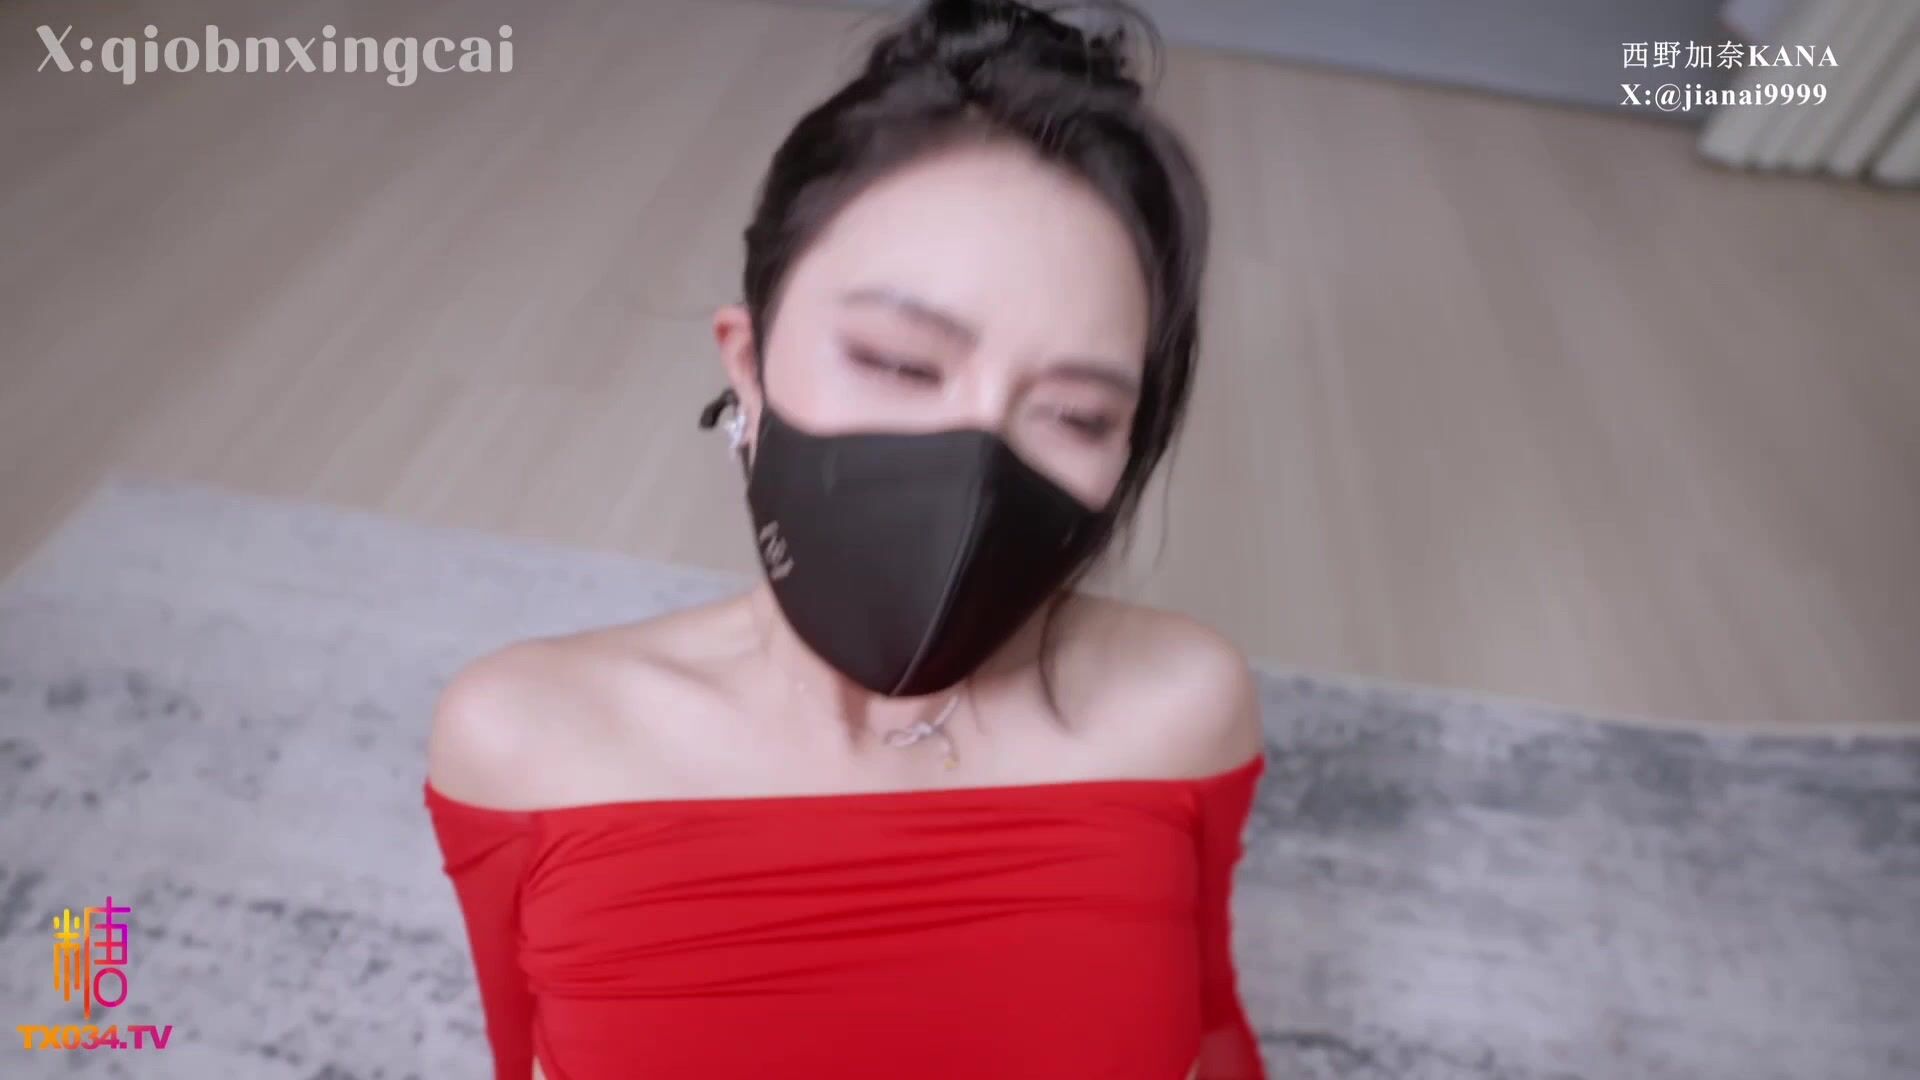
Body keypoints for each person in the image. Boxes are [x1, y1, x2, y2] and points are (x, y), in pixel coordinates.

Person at [423, 1, 1268, 1076]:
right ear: (747, 365)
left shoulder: (1182, 708)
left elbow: (1208, 1027)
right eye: (899, 363)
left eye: (1077, 415)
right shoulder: (525, 737)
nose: (973, 471)